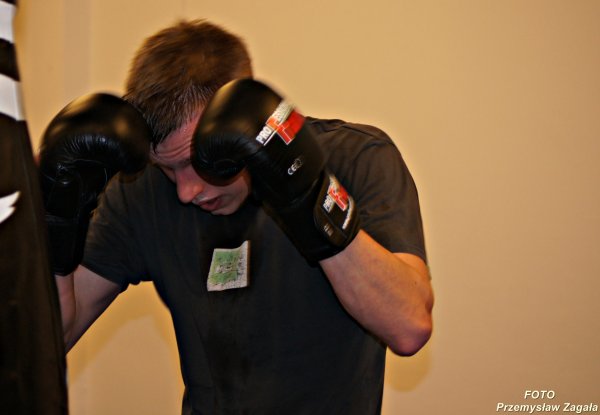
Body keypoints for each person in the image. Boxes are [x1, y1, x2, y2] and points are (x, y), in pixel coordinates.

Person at [42, 19, 434, 414]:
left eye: (196, 161)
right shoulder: (141, 191)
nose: (186, 191)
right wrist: (54, 223)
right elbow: (49, 341)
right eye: (167, 169)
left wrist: (309, 196)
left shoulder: (356, 158)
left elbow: (409, 326)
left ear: (236, 120)